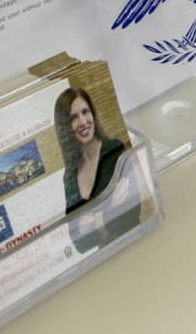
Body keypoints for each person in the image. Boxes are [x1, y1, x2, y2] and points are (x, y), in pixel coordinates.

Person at [55, 85, 140, 250]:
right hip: (105, 257)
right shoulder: (70, 175)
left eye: (85, 112)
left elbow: (131, 212)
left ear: (92, 113)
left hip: (134, 245)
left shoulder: (114, 150)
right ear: (65, 127)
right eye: (73, 118)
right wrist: (111, 207)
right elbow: (80, 243)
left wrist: (92, 223)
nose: (82, 122)